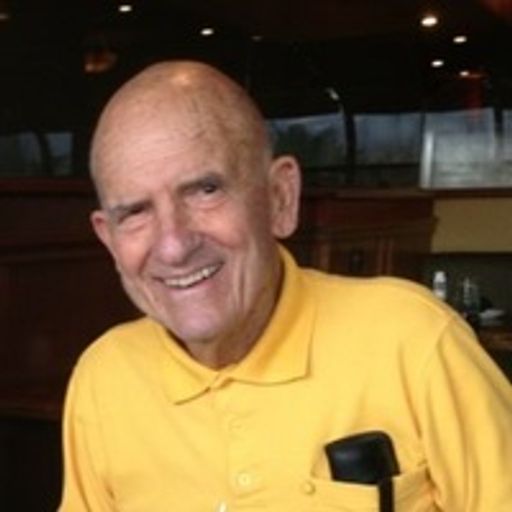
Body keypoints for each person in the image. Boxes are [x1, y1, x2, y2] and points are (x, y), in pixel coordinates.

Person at [59, 60, 512, 512]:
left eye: (205, 190)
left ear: (280, 197)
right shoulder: (105, 378)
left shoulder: (414, 341)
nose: (174, 246)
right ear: (109, 239)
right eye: (135, 212)